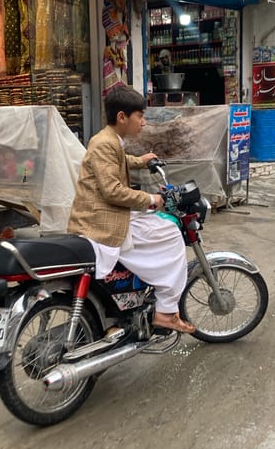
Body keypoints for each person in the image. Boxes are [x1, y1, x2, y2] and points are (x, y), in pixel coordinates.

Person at [68, 85, 196, 333]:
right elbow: (112, 191)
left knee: (155, 225)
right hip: (101, 223)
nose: (143, 122)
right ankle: (166, 311)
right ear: (122, 117)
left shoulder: (108, 141)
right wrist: (151, 199)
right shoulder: (104, 144)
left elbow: (118, 161)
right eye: (140, 116)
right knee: (170, 233)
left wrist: (141, 161)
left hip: (104, 214)